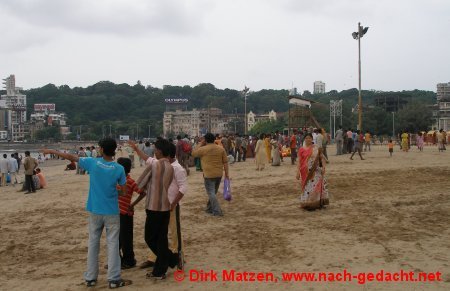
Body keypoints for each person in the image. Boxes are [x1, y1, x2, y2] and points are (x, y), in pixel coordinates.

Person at [41, 138, 132, 289]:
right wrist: (114, 190)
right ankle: (114, 279)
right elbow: (124, 192)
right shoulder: (119, 169)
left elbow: (71, 157)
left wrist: (51, 151)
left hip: (95, 210)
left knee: (93, 243)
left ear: (102, 149)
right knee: (113, 244)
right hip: (111, 211)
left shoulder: (93, 163)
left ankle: (90, 278)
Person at [132, 142, 187, 270]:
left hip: (170, 204)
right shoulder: (159, 164)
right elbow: (148, 159)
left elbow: (183, 188)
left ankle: (178, 256)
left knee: (174, 233)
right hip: (159, 205)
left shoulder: (177, 168)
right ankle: (154, 258)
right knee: (159, 235)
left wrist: (173, 203)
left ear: (162, 152)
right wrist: (136, 150)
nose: (154, 152)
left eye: (156, 150)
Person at [114, 157, 145, 269]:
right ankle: (117, 260)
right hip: (116, 213)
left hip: (125, 214)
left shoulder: (130, 181)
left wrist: (132, 205)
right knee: (117, 238)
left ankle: (129, 261)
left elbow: (142, 193)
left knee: (125, 239)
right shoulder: (116, 180)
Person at [191, 133, 229, 216]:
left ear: (206, 140)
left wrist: (200, 143)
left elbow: (193, 153)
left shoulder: (203, 149)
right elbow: (225, 162)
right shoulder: (221, 149)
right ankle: (209, 208)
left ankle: (217, 211)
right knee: (213, 192)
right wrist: (227, 174)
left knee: (211, 193)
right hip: (219, 174)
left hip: (209, 174)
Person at [296, 133, 329, 210]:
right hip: (305, 171)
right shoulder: (301, 149)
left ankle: (317, 203)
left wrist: (324, 167)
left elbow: (322, 158)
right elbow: (299, 161)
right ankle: (308, 203)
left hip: (316, 171)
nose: (308, 139)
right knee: (307, 187)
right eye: (306, 138)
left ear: (312, 139)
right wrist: (297, 172)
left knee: (316, 187)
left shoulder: (316, 148)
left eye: (309, 138)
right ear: (304, 139)